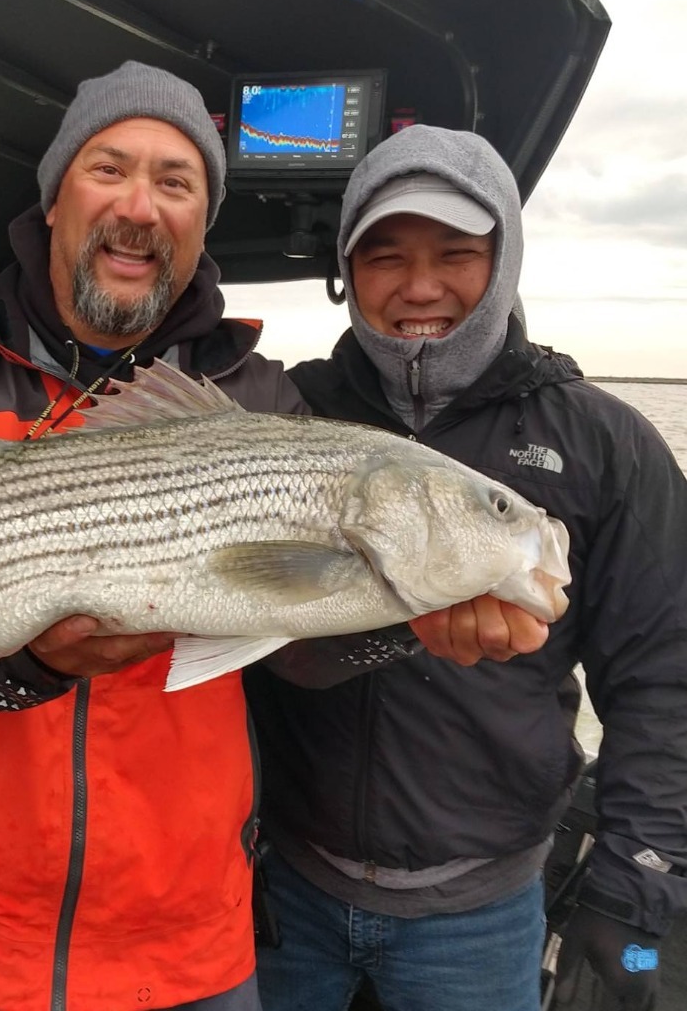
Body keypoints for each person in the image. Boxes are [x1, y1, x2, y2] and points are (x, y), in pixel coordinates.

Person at [0, 62, 543, 1011]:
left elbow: (295, 654)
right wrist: (40, 666)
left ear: (202, 224)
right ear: (55, 198)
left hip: (176, 940)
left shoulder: (256, 396)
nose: (140, 206)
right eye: (108, 169)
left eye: (177, 182)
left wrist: (413, 616)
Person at [247, 124, 687, 1011]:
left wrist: (638, 879)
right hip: (281, 881)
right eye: (384, 257)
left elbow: (662, 674)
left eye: (457, 252)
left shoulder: (605, 443)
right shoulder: (285, 412)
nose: (420, 286)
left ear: (506, 262)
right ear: (347, 272)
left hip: (481, 909)